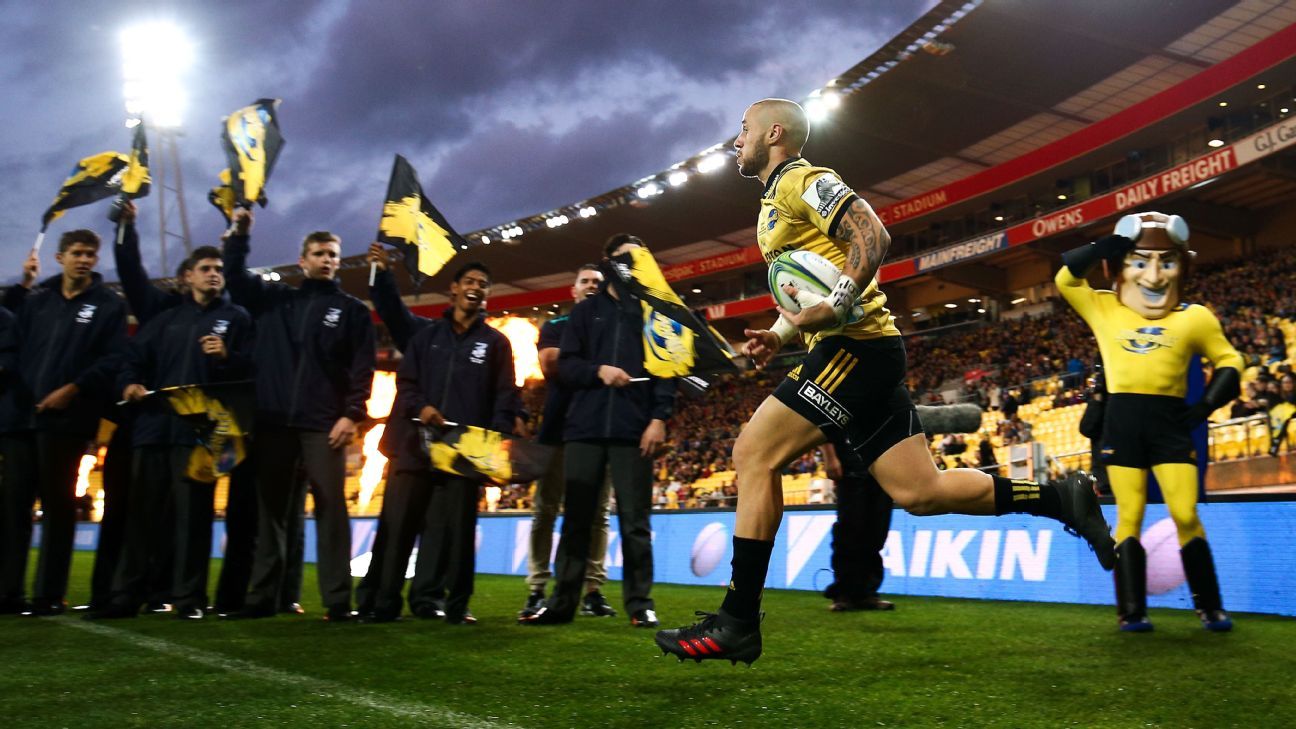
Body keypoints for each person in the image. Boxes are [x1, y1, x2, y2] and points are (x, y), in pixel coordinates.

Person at [655, 99, 1113, 664]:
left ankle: (737, 621)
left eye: (744, 129)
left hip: (856, 349)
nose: (736, 139)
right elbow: (809, 284)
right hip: (863, 351)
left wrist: (837, 303)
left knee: (752, 453)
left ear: (773, 133)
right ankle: (1061, 498)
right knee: (920, 492)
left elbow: (871, 234)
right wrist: (779, 334)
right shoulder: (773, 203)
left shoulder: (803, 180)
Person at [1056, 213, 1243, 632]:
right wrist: (1105, 246)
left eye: (1167, 262)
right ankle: (1132, 610)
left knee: (1185, 513)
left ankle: (1210, 607)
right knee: (1130, 515)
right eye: (1139, 262)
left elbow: (1231, 360)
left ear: (1182, 266)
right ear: (1120, 268)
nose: (1154, 276)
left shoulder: (1194, 317)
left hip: (1169, 424)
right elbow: (1066, 280)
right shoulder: (1104, 307)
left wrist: (1206, 406)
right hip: (1123, 424)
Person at [522, 234, 676, 628]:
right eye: (623, 258)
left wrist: (659, 418)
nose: (630, 265)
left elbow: (667, 371)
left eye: (637, 257)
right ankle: (562, 603)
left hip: (633, 431)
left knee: (635, 522)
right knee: (576, 519)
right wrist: (599, 371)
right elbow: (566, 366)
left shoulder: (652, 312)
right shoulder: (584, 313)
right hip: (584, 430)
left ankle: (640, 604)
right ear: (607, 261)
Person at [91, 246, 253, 620]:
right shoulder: (165, 320)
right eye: (205, 268)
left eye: (219, 268)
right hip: (153, 429)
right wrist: (129, 384)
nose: (214, 273)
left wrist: (228, 357)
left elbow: (253, 371)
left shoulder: (238, 318)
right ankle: (126, 595)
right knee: (140, 517)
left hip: (203, 433)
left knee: (194, 518)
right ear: (187, 277)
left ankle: (189, 598)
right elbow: (132, 360)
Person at [223, 227, 375, 621]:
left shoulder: (352, 310)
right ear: (302, 260)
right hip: (273, 422)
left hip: (323, 424)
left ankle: (337, 601)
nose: (327, 260)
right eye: (319, 253)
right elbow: (234, 277)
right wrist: (238, 236)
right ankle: (262, 598)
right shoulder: (275, 299)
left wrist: (352, 414)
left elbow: (363, 368)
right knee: (271, 512)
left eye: (333, 255)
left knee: (331, 509)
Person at [360, 262, 517, 624]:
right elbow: (407, 384)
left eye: (483, 283)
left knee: (451, 533)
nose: (476, 287)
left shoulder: (496, 343)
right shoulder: (425, 335)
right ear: (454, 288)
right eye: (469, 281)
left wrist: (495, 445)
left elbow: (505, 396)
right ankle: (383, 603)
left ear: (486, 294)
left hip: (463, 453)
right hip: (413, 446)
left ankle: (440, 603)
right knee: (397, 527)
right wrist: (422, 408)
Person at [0, 229, 128, 616]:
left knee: (59, 508)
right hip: (20, 419)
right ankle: (7, 593)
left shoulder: (108, 305)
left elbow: (112, 359)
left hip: (67, 421)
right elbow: (11, 347)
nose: (84, 260)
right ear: (60, 257)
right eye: (77, 253)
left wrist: (73, 389)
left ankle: (49, 594)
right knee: (13, 509)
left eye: (90, 254)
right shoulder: (37, 300)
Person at [520, 263, 617, 620]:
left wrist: (577, 363)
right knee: (545, 510)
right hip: (558, 430)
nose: (591, 285)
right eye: (585, 281)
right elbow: (549, 364)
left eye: (597, 282)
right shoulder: (556, 326)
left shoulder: (614, 326)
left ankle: (592, 590)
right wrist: (597, 367)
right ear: (573, 290)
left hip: (600, 429)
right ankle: (537, 588)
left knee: (598, 515)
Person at [819, 443, 894, 612]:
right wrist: (830, 456)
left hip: (882, 468)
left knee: (877, 533)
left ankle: (867, 593)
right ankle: (844, 594)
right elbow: (824, 430)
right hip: (850, 467)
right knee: (849, 531)